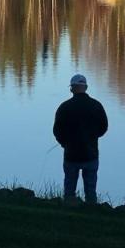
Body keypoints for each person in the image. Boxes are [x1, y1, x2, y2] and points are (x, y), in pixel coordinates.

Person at [52, 73, 108, 204]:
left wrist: (64, 143)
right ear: (86, 87)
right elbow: (104, 127)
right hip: (91, 154)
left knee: (70, 188)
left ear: (72, 88)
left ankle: (69, 210)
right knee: (90, 189)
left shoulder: (64, 107)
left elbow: (57, 130)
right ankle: (91, 210)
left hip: (71, 155)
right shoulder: (96, 106)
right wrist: (93, 137)